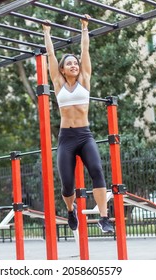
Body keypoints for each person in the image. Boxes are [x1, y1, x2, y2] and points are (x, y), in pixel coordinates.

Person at [42, 15, 114, 233]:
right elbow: (51, 55)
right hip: (66, 138)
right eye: (69, 63)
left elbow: (85, 51)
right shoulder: (57, 82)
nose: (73, 65)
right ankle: (71, 209)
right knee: (67, 183)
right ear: (62, 70)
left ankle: (103, 217)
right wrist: (46, 32)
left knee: (97, 170)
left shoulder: (85, 80)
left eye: (75, 63)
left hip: (84, 135)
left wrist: (84, 29)